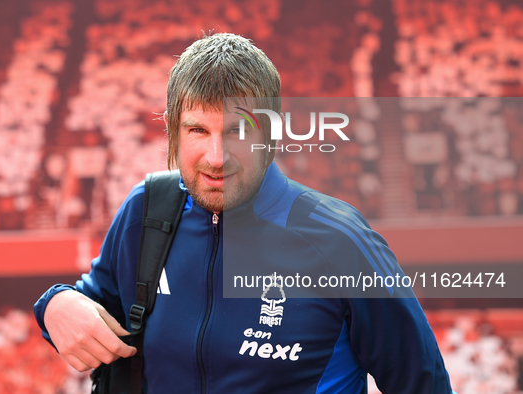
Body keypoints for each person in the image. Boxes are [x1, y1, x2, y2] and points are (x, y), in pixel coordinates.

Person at [34, 33, 454, 393]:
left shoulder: (339, 240)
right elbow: (93, 303)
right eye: (198, 130)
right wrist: (53, 307)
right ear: (173, 132)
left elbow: (423, 383)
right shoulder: (145, 211)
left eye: (239, 130)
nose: (216, 158)